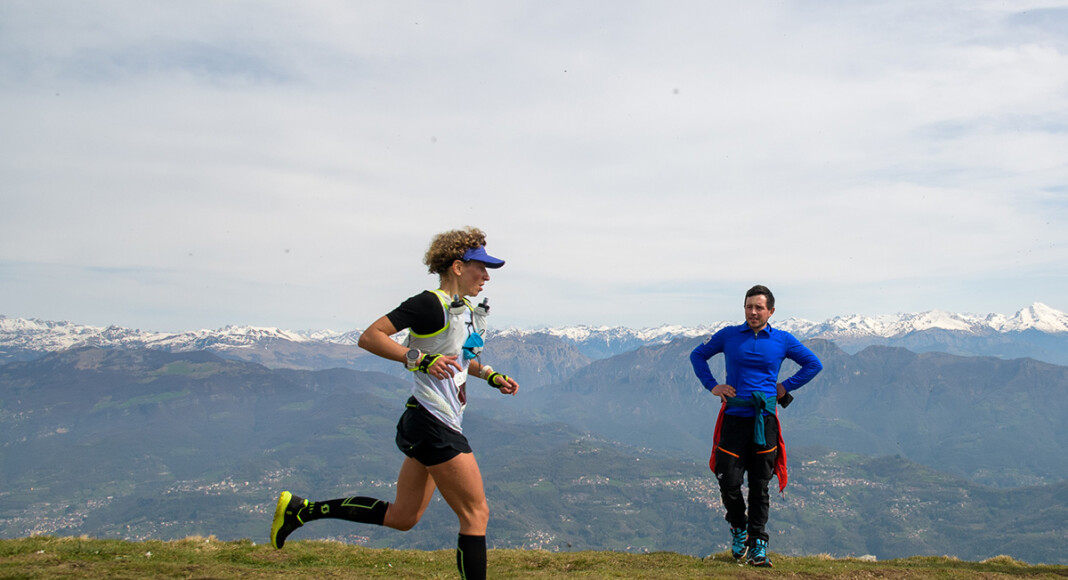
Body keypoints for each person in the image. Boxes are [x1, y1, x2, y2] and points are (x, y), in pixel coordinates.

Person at [270, 227, 519, 580]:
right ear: (458, 267)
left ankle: (301, 511)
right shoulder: (428, 304)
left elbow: (458, 360)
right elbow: (370, 337)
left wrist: (491, 376)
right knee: (476, 514)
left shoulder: (462, 309)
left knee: (403, 517)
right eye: (481, 267)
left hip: (429, 420)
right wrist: (419, 359)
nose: (487, 276)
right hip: (434, 423)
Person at [689, 285, 822, 567]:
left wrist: (785, 386)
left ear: (770, 311)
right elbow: (697, 355)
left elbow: (813, 364)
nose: (753, 312)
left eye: (759, 307)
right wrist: (712, 386)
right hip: (734, 418)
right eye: (749, 306)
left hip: (765, 420)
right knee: (728, 480)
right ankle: (739, 528)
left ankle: (758, 544)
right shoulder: (728, 335)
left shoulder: (783, 340)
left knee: (760, 485)